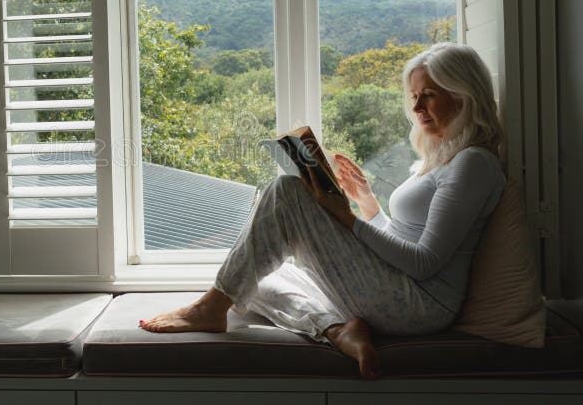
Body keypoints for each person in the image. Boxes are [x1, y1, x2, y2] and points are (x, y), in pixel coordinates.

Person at [139, 42, 507, 379]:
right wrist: (367, 204)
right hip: (401, 288)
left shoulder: (473, 163)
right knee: (257, 278)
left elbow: (425, 263)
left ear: (464, 96)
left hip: (420, 306)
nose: (416, 108)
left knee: (286, 191)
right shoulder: (442, 158)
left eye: (428, 95)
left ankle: (210, 308)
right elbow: (410, 240)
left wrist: (344, 216)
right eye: (413, 96)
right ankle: (337, 330)